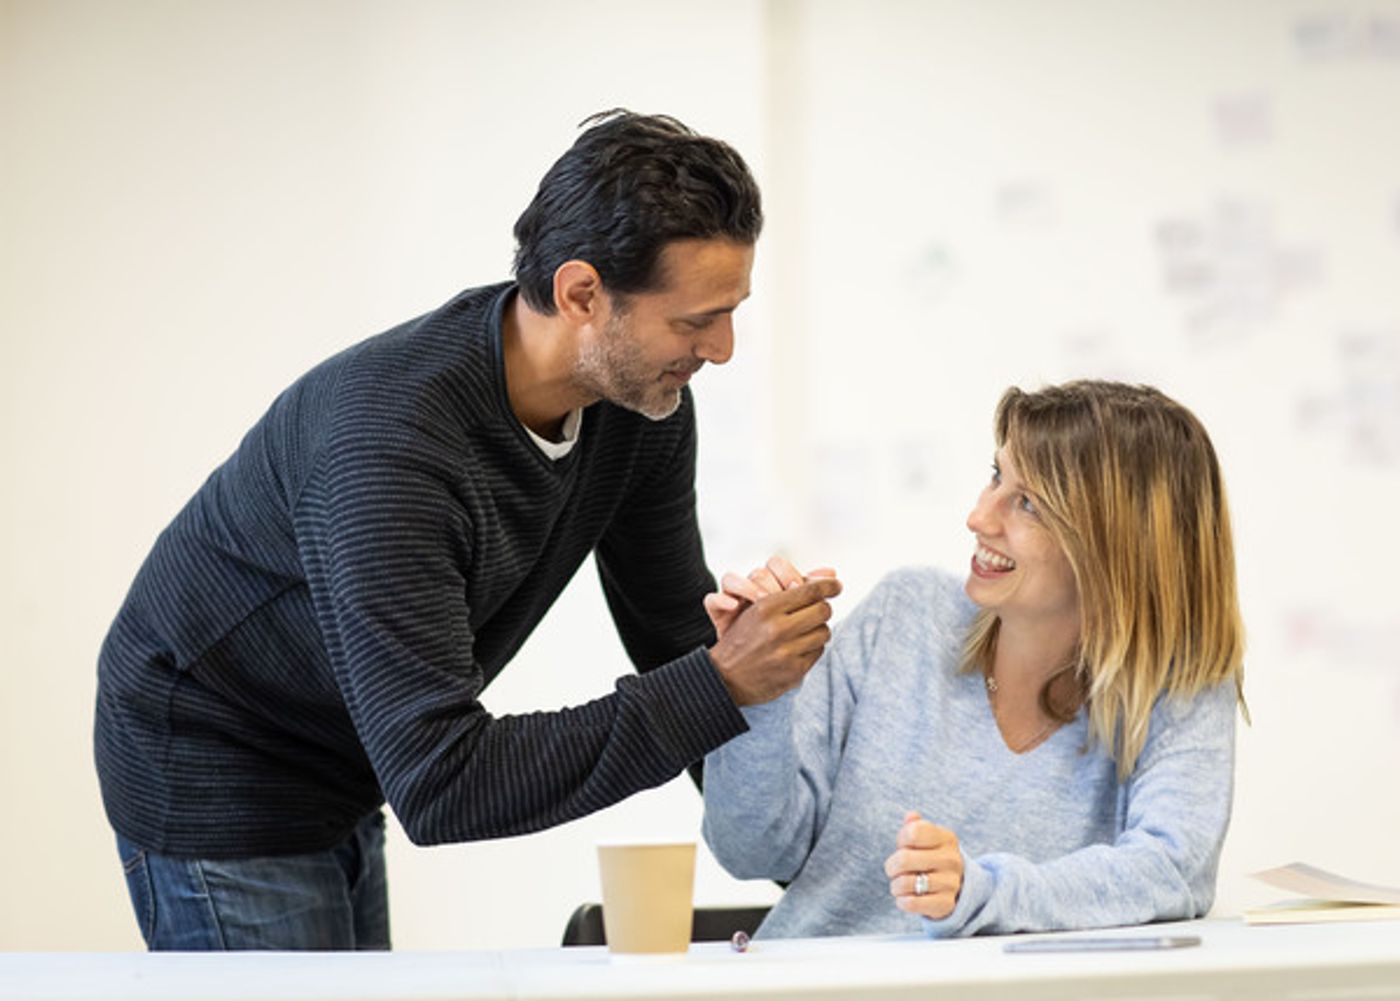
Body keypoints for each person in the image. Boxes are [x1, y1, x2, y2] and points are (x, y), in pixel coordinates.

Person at [94, 110, 841, 951]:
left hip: (351, 755)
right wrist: (718, 683)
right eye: (695, 320)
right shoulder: (392, 445)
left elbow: (673, 628)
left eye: (732, 311)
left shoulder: (642, 407)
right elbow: (442, 780)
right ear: (582, 294)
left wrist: (833, 874)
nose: (724, 348)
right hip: (212, 755)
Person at [702, 380, 1246, 939]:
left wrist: (982, 893)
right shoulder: (904, 616)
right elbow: (751, 851)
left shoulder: (1181, 681)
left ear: (1116, 545)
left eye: (1028, 504)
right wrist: (760, 690)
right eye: (995, 477)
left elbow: (1174, 870)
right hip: (814, 978)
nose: (979, 517)